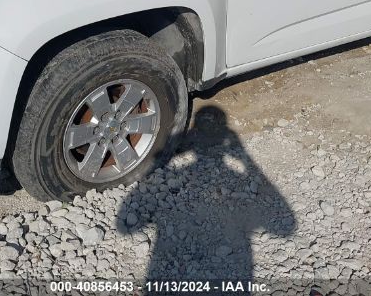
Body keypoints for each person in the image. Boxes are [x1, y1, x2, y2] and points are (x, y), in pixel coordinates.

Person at [118, 105, 296, 290]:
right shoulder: (234, 176)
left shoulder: (187, 174)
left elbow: (124, 227)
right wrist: (246, 160)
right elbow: (286, 227)